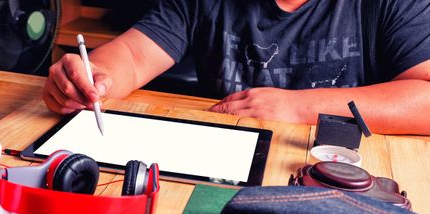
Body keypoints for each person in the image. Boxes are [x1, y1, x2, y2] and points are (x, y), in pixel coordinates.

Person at [42, 0, 430, 135]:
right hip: (225, 172)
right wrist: (94, 79)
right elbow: (134, 56)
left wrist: (295, 107)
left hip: (338, 174)